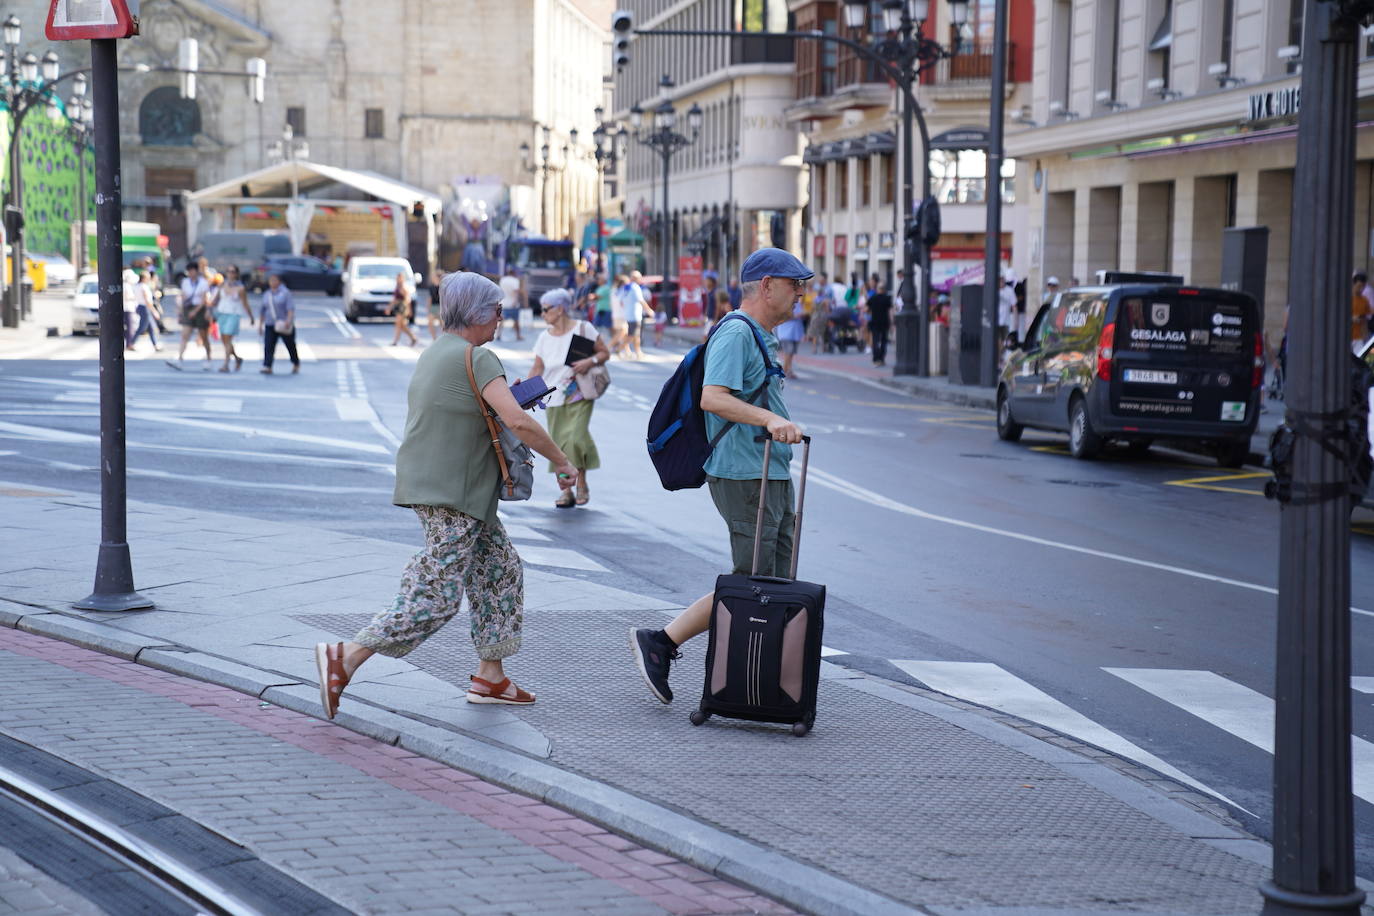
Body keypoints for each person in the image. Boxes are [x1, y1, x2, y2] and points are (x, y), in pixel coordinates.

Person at [314, 273, 578, 717]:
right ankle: (346, 656)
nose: (500, 318)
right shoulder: (479, 358)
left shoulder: (438, 352)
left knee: (500, 569)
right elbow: (519, 423)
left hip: (443, 487)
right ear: (477, 313)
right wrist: (564, 462)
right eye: (496, 311)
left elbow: (467, 410)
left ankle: (490, 677)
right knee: (436, 594)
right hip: (454, 492)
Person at [629, 248, 809, 704]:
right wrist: (769, 421)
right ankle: (664, 644)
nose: (801, 294)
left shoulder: (760, 335)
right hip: (743, 474)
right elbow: (713, 397)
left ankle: (760, 675)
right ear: (767, 286)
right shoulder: (736, 333)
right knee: (751, 579)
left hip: (769, 473)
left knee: (772, 581)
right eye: (794, 285)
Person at [528, 288, 609, 508]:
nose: (542, 314)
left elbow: (604, 353)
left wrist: (588, 362)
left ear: (560, 309)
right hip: (553, 398)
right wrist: (526, 393)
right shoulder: (544, 337)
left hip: (579, 393)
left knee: (574, 438)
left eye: (545, 309)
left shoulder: (584, 329)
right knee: (559, 446)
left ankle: (580, 482)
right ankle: (566, 491)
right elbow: (537, 368)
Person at [259, 274, 300, 375]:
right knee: (268, 345)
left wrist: (288, 320)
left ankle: (295, 362)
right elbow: (262, 310)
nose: (272, 282)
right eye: (271, 280)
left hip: (283, 323)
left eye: (274, 280)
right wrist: (260, 324)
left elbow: (290, 308)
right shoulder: (267, 294)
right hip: (270, 323)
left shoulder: (285, 293)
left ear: (279, 281)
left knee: (290, 345)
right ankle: (268, 366)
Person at [176, 262, 213, 367]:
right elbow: (183, 296)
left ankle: (209, 358)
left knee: (203, 336)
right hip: (188, 309)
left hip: (200, 309)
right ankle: (180, 358)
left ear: (196, 271)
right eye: (189, 271)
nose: (190, 273)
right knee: (185, 335)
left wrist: (195, 311)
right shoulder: (185, 282)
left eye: (192, 271)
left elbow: (204, 300)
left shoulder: (203, 283)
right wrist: (180, 311)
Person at [215, 266, 253, 371]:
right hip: (222, 313)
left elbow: (245, 303)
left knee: (228, 338)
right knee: (224, 340)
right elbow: (216, 300)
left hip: (234, 314)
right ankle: (237, 358)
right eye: (228, 271)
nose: (230, 274)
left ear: (236, 274)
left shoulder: (240, 288)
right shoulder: (222, 284)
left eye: (232, 272)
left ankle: (226, 364)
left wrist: (251, 316)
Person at [130, 268, 162, 351]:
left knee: (150, 328)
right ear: (144, 278)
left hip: (140, 306)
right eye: (147, 278)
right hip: (145, 307)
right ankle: (131, 343)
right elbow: (147, 300)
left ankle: (155, 345)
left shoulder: (137, 286)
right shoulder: (143, 287)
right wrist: (154, 311)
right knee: (142, 327)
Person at [621, 272, 650, 359]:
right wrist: (649, 310)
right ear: (635, 278)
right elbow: (641, 300)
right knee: (634, 335)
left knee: (634, 335)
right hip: (635, 315)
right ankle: (620, 348)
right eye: (639, 278)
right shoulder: (635, 287)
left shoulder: (627, 287)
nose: (640, 280)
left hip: (628, 314)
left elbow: (621, 301)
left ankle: (636, 352)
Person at [387, 271, 419, 347]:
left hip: (403, 307)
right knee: (402, 326)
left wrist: (409, 310)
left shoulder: (403, 287)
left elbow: (408, 299)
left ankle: (395, 341)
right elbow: (394, 299)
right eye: (397, 278)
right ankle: (413, 338)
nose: (398, 279)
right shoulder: (397, 286)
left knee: (398, 324)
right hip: (398, 307)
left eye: (400, 278)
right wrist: (389, 307)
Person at [867, 282, 894, 367]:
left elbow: (867, 309)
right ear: (884, 289)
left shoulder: (873, 298)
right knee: (883, 341)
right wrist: (892, 322)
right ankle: (882, 359)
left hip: (875, 322)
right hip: (884, 322)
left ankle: (876, 359)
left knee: (875, 341)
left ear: (878, 289)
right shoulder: (887, 298)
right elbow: (890, 311)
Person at [497, 267, 523, 341]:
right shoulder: (515, 281)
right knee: (516, 320)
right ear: (514, 274)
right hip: (513, 304)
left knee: (502, 320)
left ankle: (499, 334)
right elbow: (516, 292)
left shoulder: (503, 280)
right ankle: (518, 335)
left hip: (503, 303)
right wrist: (515, 301)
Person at [121, 261, 141, 352]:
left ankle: (129, 343)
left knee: (130, 327)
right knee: (130, 327)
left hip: (128, 307)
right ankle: (129, 343)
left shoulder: (127, 285)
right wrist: (134, 297)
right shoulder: (126, 286)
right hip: (128, 308)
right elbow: (128, 296)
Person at [1353, 272, 1372, 343]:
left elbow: (1365, 320)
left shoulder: (1364, 300)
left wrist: (1365, 336)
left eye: (1363, 287)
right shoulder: (1346, 299)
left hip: (1359, 338)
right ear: (1353, 284)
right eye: (1359, 286)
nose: (1361, 289)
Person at [428, 269, 443, 340]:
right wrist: (428, 307)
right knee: (430, 323)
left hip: (440, 307)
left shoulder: (442, 286)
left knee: (442, 325)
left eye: (434, 276)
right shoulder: (431, 287)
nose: (432, 278)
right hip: (433, 306)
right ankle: (434, 339)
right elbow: (430, 298)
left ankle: (444, 339)